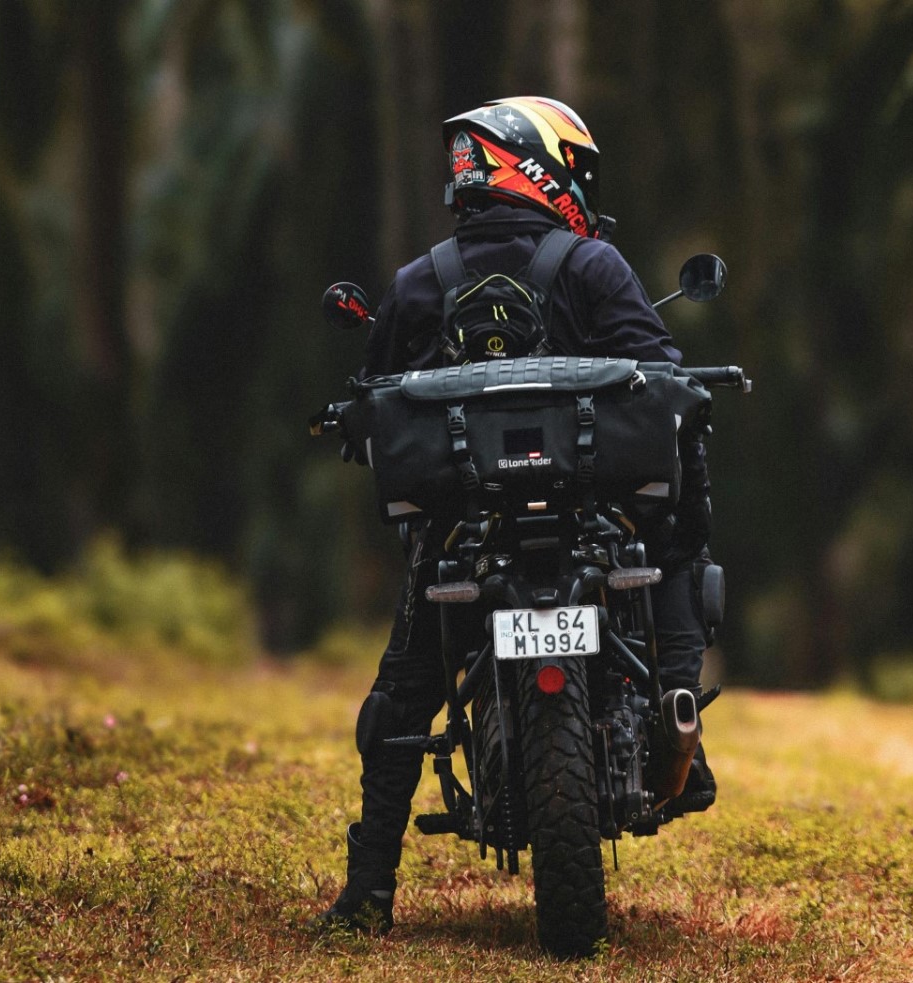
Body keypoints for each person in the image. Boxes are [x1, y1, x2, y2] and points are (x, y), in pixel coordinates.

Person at [319, 96, 716, 934]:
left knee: (401, 700)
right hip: (591, 526)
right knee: (675, 540)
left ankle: (368, 894)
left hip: (466, 539)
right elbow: (667, 379)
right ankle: (681, 706)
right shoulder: (594, 266)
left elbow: (371, 394)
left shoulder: (419, 281)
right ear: (541, 166)